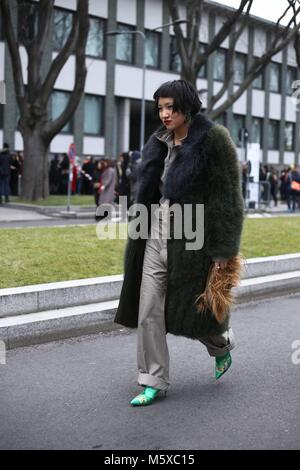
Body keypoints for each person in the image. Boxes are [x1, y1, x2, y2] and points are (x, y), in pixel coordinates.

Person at [114, 79, 245, 406]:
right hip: (156, 229)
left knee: (190, 308)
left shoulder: (213, 140)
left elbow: (227, 198)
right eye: (160, 107)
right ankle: (152, 380)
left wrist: (222, 251)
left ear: (187, 106)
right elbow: (148, 189)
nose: (164, 114)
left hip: (193, 236)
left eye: (170, 107)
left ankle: (221, 344)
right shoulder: (157, 140)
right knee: (149, 308)